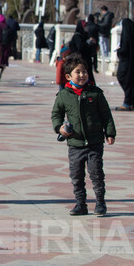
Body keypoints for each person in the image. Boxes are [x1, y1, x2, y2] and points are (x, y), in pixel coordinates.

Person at [51, 52, 116, 217]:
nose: (82, 75)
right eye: (78, 72)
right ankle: (81, 204)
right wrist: (60, 128)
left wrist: (109, 132)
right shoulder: (64, 95)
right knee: (76, 175)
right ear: (68, 76)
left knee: (96, 173)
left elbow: (106, 115)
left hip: (94, 142)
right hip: (75, 143)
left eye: (84, 72)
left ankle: (100, 203)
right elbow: (56, 115)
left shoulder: (96, 93)